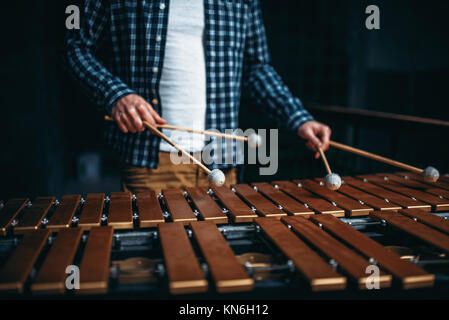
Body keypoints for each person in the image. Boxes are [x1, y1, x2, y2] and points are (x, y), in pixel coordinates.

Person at [65, 0, 331, 193]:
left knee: (219, 258)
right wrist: (116, 95)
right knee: (157, 261)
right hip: (153, 156)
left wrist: (298, 119)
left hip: (222, 156)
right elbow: (76, 46)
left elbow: (255, 67)